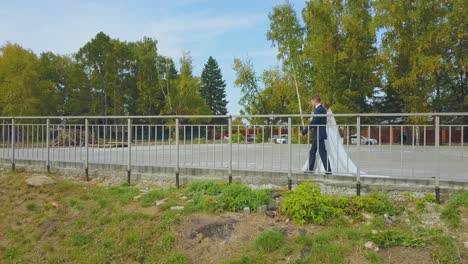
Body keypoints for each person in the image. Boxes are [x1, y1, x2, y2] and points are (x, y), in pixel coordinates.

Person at [300, 96, 332, 174]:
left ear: (315, 101)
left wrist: (303, 132)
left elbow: (313, 122)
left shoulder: (319, 109)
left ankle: (327, 170)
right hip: (318, 134)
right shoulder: (321, 109)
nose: (311, 103)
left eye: (312, 101)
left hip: (319, 135)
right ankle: (312, 170)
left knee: (321, 152)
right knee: (313, 151)